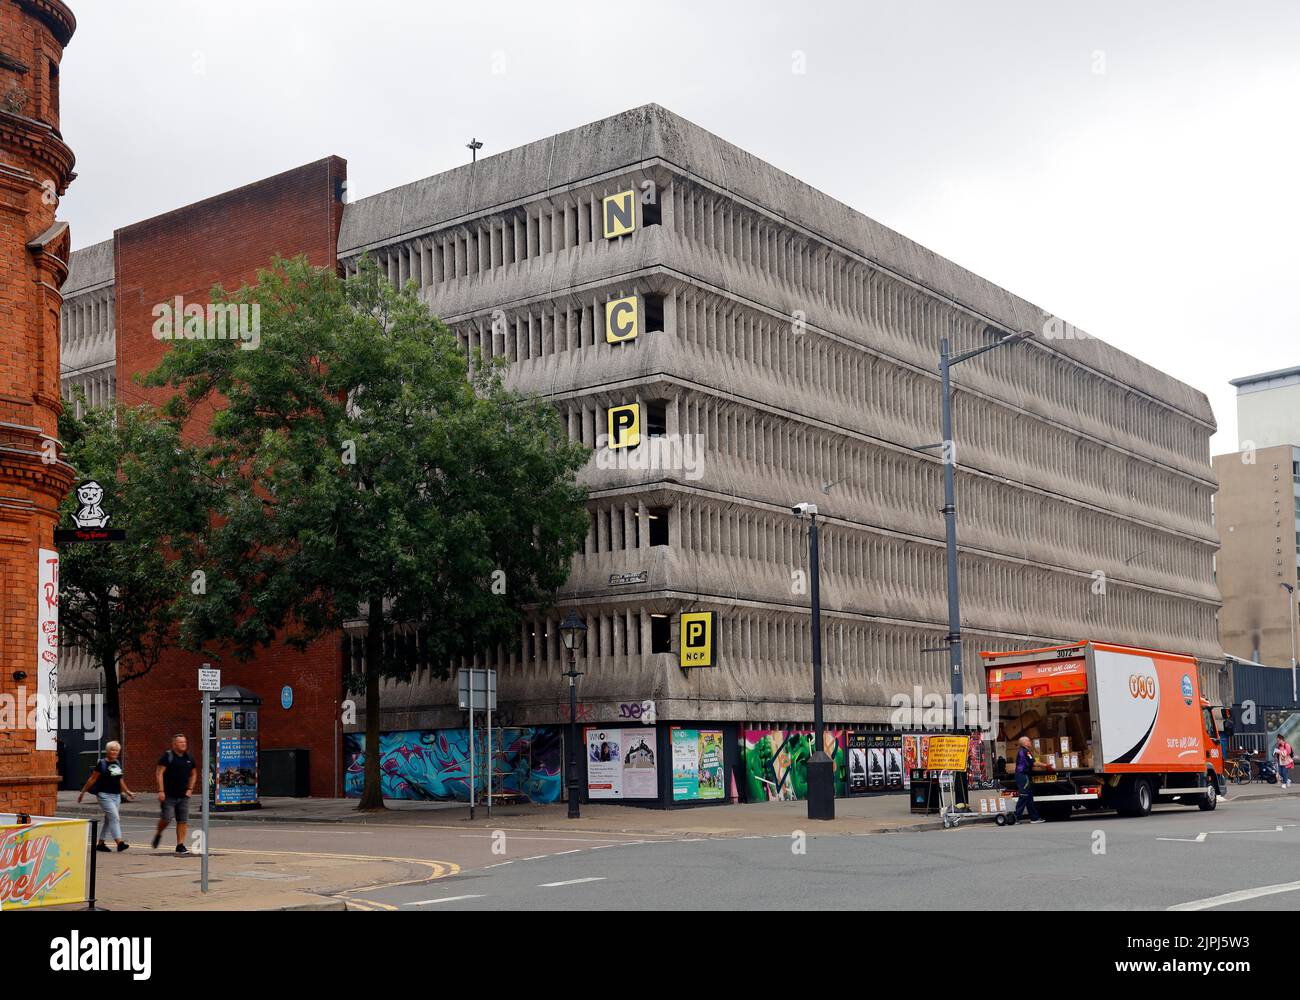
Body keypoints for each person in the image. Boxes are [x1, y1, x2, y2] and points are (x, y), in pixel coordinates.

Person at [77, 740, 135, 852]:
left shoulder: (117, 763)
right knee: (115, 818)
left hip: (116, 796)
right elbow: (92, 779)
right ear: (107, 751)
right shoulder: (102, 763)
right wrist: (83, 792)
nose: (114, 752)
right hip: (104, 795)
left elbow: (120, 779)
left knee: (109, 820)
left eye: (117, 750)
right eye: (112, 750)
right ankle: (120, 842)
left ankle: (101, 844)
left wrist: (127, 791)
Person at [151, 734, 197, 853]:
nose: (183, 744)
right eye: (181, 742)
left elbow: (194, 774)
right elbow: (159, 773)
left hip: (183, 795)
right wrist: (161, 790)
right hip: (168, 795)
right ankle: (159, 833)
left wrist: (190, 789)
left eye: (185, 742)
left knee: (182, 820)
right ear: (174, 744)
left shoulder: (189, 758)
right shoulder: (168, 757)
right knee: (166, 818)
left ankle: (180, 845)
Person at [1013, 736, 1051, 824]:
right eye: (1029, 741)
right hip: (1022, 775)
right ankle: (1016, 817)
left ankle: (1034, 818)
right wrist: (1045, 765)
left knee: (1029, 797)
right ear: (1025, 743)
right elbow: (1033, 763)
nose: (1030, 742)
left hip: (1023, 775)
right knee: (1024, 795)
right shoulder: (1025, 752)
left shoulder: (1023, 751)